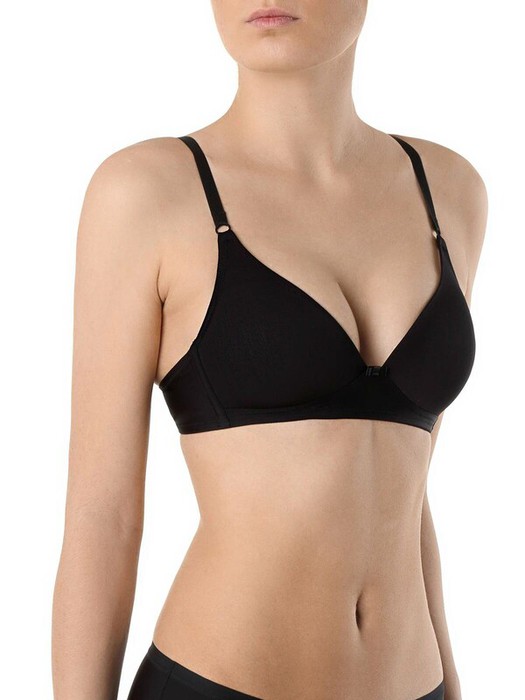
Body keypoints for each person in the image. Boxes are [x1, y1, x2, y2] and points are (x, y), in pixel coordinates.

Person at [52, 2, 487, 699]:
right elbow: (103, 516)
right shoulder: (147, 190)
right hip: (220, 683)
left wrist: (453, 687)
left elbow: (404, 487)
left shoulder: (451, 189)